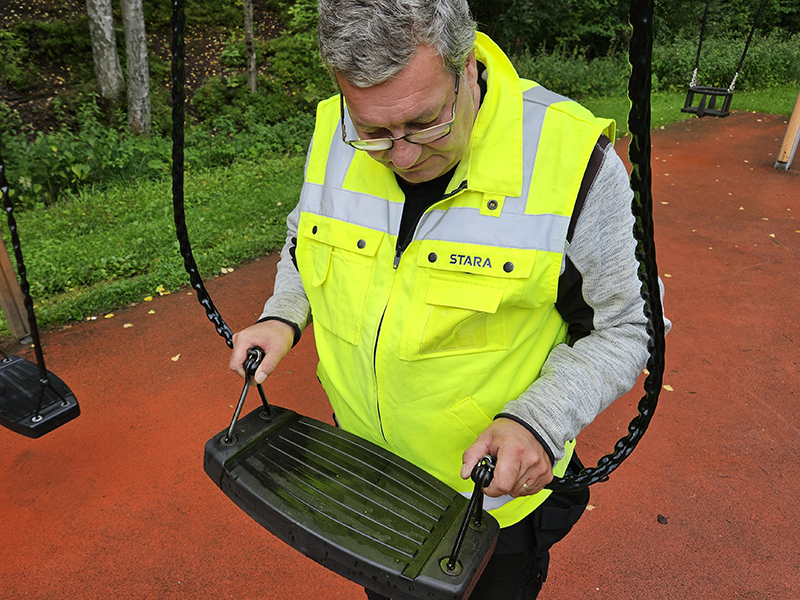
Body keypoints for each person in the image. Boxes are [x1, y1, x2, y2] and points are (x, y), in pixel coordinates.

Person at [230, 1, 668, 598]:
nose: (401, 154)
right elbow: (306, 231)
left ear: (467, 69)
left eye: (426, 122)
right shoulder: (336, 129)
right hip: (368, 479)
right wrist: (283, 313)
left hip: (487, 510)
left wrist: (537, 422)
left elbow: (631, 323)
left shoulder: (571, 159)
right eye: (375, 132)